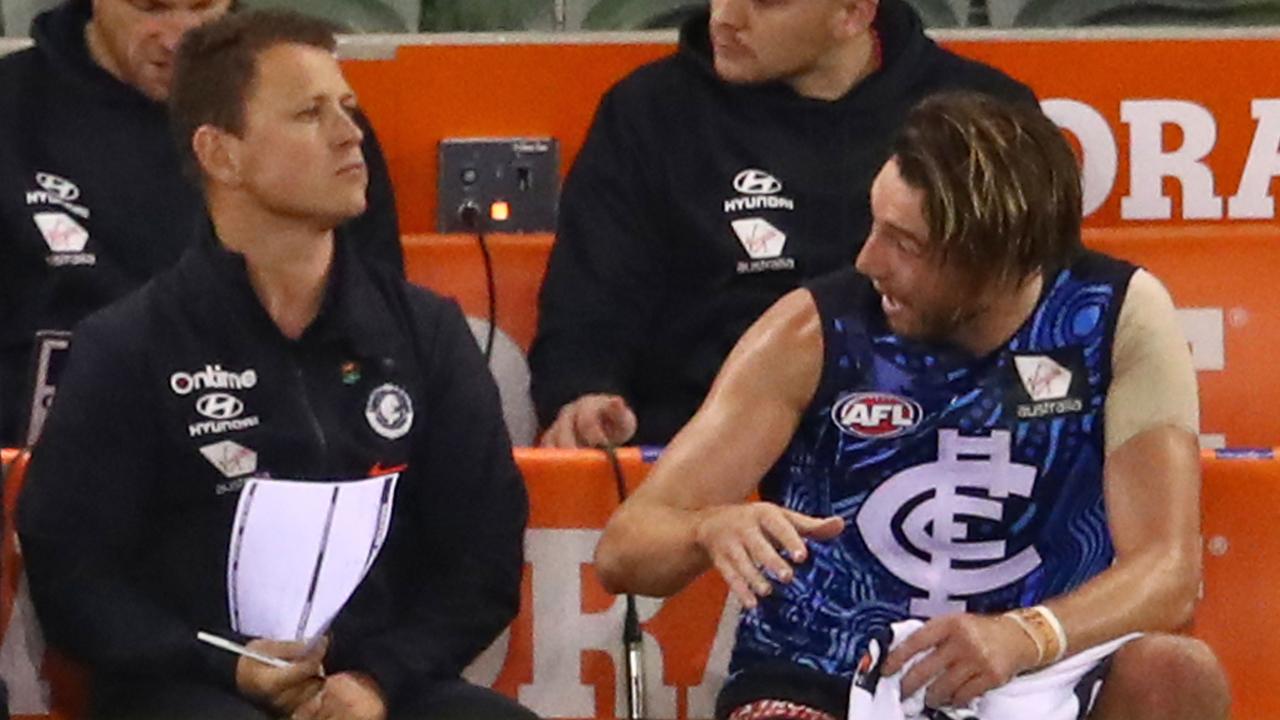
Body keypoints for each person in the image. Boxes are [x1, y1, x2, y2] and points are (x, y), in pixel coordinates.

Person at [594, 93, 1230, 719]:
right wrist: (708, 528)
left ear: (995, 257)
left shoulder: (1111, 316)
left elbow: (1169, 572)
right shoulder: (811, 330)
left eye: (906, 243)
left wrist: (1026, 635)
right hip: (827, 670)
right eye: (875, 226)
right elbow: (624, 550)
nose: (868, 260)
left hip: (1036, 666)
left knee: (1178, 674)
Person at [18, 11, 533, 720]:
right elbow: (73, 574)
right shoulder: (130, 346)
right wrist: (226, 665)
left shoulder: (426, 334)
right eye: (309, 114)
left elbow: (483, 560)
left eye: (348, 109)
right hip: (187, 690)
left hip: (378, 686)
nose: (351, 135)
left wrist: (378, 678)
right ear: (220, 154)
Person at [530, 0, 1035, 448]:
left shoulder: (984, 118)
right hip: (700, 459)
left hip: (936, 448)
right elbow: (588, 308)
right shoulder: (648, 113)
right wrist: (583, 396)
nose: (725, 17)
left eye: (767, 3)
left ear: (853, 13)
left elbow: (1034, 314)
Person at [0, 0, 404, 447]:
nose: (179, 37)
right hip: (47, 458)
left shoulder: (321, 123)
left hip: (285, 453)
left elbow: (380, 331)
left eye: (201, 7)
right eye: (150, 7)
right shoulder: (14, 114)